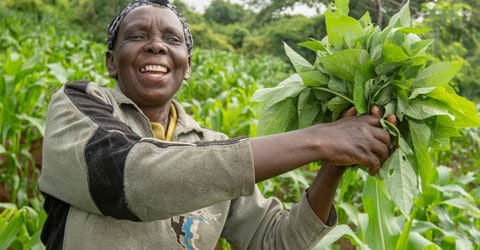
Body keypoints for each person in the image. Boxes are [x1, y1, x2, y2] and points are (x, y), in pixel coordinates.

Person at [38, 0, 393, 249]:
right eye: (137, 36)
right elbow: (135, 179)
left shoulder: (211, 143)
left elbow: (274, 242)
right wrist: (319, 139)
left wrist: (333, 165)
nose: (156, 46)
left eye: (172, 40)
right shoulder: (78, 107)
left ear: (187, 65)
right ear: (111, 62)